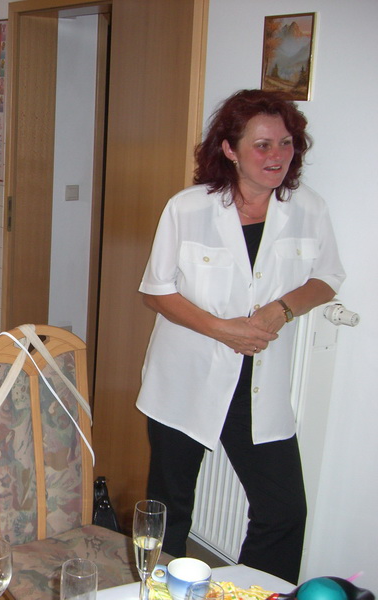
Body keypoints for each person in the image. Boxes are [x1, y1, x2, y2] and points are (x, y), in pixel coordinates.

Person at [136, 89, 346, 583]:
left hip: (259, 384)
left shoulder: (308, 208)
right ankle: (156, 591)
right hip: (185, 377)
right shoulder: (188, 208)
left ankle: (258, 592)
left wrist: (282, 309)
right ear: (230, 149)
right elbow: (156, 292)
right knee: (170, 507)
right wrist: (221, 329)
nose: (277, 156)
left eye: (286, 143)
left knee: (284, 510)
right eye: (262, 145)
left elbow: (328, 277)